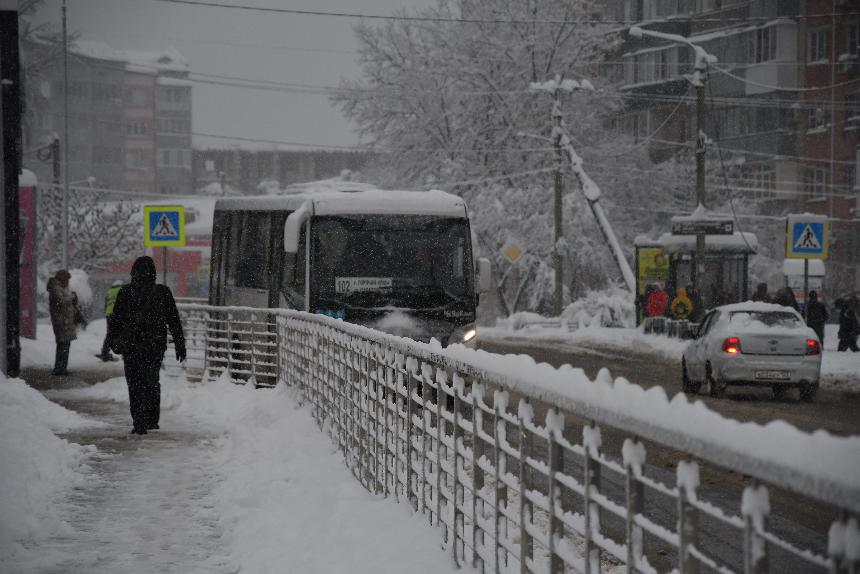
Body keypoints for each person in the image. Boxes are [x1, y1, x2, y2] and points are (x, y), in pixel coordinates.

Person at [110, 256, 186, 435]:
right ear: (153, 273)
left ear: (133, 272)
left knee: (135, 383)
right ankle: (152, 419)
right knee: (151, 381)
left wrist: (112, 341)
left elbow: (116, 320)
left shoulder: (125, 292)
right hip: (154, 345)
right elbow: (174, 320)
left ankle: (139, 421)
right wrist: (180, 344)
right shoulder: (162, 292)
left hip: (132, 346)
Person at [47, 270, 79, 376]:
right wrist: (72, 297)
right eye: (67, 280)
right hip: (61, 322)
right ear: (63, 279)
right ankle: (59, 369)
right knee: (63, 345)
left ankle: (62, 368)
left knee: (65, 345)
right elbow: (60, 301)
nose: (68, 282)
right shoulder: (56, 288)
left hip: (64, 321)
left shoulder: (60, 288)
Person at [98, 280, 124, 362]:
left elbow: (106, 305)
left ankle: (105, 353)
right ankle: (125, 353)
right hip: (119, 314)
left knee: (110, 334)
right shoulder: (122, 290)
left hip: (109, 315)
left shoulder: (109, 292)